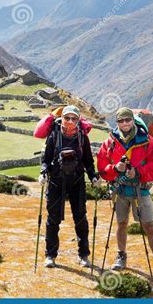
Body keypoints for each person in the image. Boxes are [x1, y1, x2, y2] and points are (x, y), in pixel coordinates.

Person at [96, 107, 153, 280]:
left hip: (140, 190)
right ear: (117, 123)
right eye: (120, 121)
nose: (124, 123)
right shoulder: (111, 141)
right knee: (121, 224)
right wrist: (115, 169)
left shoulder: (147, 141)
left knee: (149, 226)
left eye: (127, 120)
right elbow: (102, 166)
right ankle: (121, 255)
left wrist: (137, 172)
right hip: (120, 190)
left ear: (133, 120)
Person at [38, 105, 101, 268]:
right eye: (67, 118)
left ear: (78, 120)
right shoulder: (54, 135)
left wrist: (93, 176)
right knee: (53, 219)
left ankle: (84, 255)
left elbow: (88, 160)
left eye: (74, 118)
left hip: (77, 182)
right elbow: (45, 159)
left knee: (80, 219)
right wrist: (43, 172)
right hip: (56, 182)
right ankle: (50, 255)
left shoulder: (82, 137)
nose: (70, 121)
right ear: (62, 119)